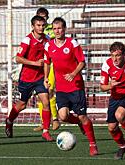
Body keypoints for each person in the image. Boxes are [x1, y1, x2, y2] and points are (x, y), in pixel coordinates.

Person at [43, 17, 98, 156]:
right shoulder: (49, 46)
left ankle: (93, 145)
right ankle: (79, 123)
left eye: (60, 28)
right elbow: (47, 62)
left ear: (65, 29)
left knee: (83, 117)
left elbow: (82, 62)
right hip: (61, 89)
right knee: (63, 116)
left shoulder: (72, 43)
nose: (57, 31)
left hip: (75, 86)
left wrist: (73, 74)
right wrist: (45, 78)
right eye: (55, 29)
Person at [5, 15, 54, 142]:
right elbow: (18, 58)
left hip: (40, 78)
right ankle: (9, 121)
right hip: (26, 78)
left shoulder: (47, 39)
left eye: (43, 25)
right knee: (22, 105)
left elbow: (49, 58)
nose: (41, 27)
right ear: (33, 26)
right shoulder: (27, 40)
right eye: (38, 25)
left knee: (46, 102)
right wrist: (35, 63)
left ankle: (46, 131)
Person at [33, 7, 60, 132]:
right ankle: (44, 123)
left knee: (49, 90)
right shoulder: (34, 32)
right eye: (40, 17)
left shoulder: (51, 30)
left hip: (52, 64)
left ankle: (55, 119)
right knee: (40, 95)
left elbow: (56, 42)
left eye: (44, 17)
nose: (42, 20)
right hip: (40, 66)